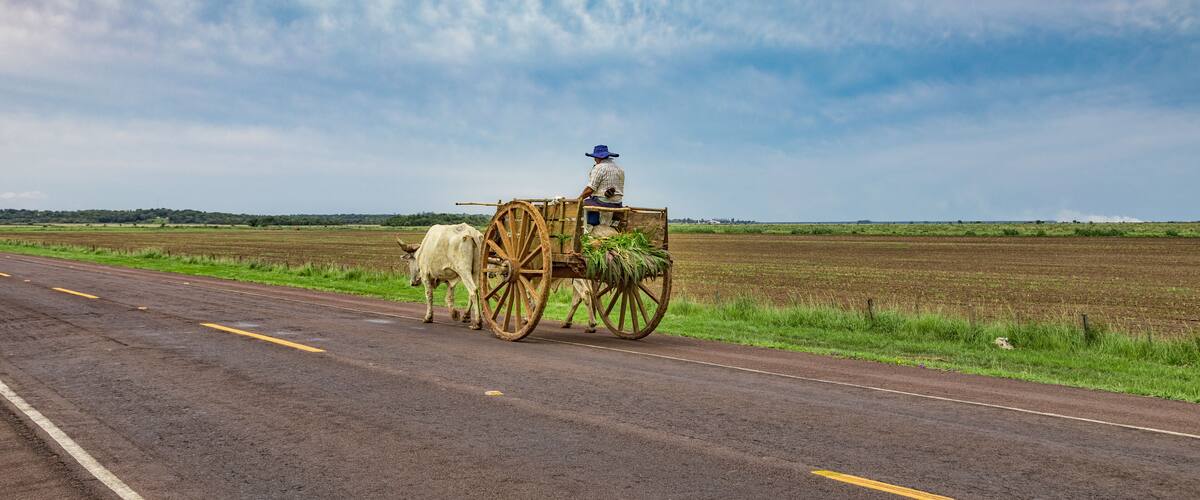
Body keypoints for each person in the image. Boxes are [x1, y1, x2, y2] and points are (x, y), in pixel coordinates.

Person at [578, 144, 625, 229]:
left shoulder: (599, 168)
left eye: (595, 158)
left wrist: (579, 199)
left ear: (597, 158)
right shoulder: (620, 169)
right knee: (593, 200)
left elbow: (590, 189)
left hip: (603, 201)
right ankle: (613, 224)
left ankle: (591, 225)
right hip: (617, 202)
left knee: (585, 203)